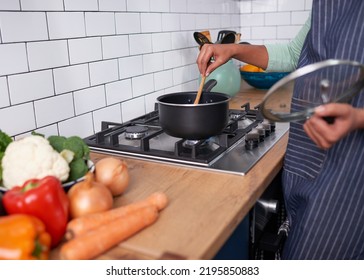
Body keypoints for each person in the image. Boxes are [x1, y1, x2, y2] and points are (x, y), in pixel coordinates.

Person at [197, 0, 364, 260]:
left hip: (352, 170)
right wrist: (231, 50)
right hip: (308, 151)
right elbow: (292, 54)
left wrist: (358, 118)